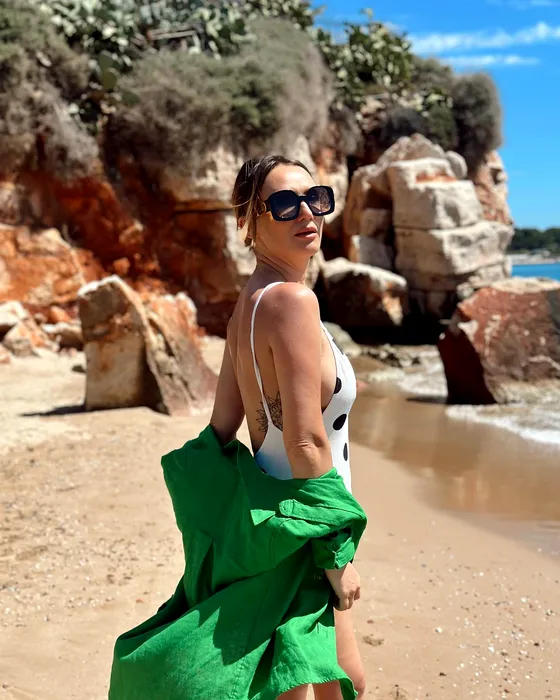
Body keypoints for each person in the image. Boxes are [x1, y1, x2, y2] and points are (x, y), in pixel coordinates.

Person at [209, 154, 366, 700]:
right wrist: (335, 556)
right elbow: (303, 439)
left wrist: (227, 531)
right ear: (248, 220)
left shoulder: (247, 305)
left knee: (305, 688)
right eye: (282, 203)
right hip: (308, 530)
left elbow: (222, 428)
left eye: (315, 198)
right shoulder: (294, 301)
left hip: (272, 525)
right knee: (337, 686)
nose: (306, 213)